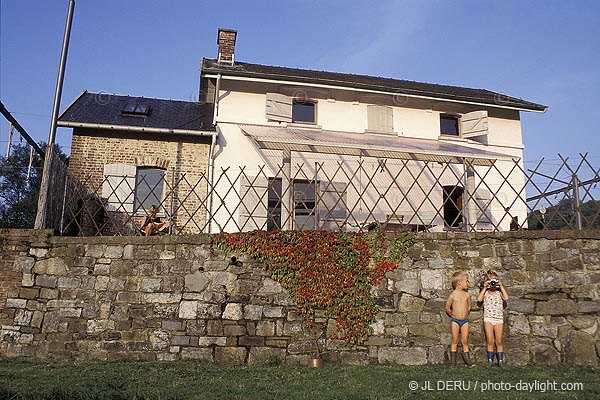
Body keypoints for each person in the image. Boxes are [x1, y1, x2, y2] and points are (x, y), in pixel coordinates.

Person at [477, 270, 509, 367]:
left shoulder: (499, 293)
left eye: (494, 281)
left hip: (498, 319)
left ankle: (500, 360)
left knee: (499, 341)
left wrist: (501, 286)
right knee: (490, 340)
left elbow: (506, 298)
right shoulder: (486, 293)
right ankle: (490, 360)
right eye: (491, 281)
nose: (493, 283)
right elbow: (479, 299)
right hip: (488, 319)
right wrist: (485, 287)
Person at [445, 271, 474, 367]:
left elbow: (469, 305)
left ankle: (468, 360)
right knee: (455, 340)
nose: (468, 283)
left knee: (465, 341)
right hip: (455, 321)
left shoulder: (467, 295)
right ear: (459, 283)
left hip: (465, 320)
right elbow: (447, 307)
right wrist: (452, 314)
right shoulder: (453, 295)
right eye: (466, 281)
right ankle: (453, 362)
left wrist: (465, 313)